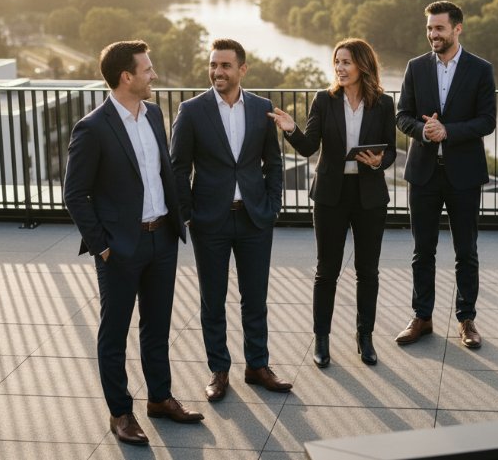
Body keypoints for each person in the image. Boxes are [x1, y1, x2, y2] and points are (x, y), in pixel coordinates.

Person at [64, 40, 203, 447]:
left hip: (162, 238)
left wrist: (181, 217)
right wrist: (103, 247)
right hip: (120, 249)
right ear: (127, 77)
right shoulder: (92, 128)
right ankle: (120, 413)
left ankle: (159, 398)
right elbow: (74, 194)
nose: (153, 75)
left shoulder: (154, 114)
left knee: (157, 327)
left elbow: (165, 172)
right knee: (115, 332)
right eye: (147, 69)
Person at [170, 38, 291, 399]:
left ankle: (257, 364)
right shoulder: (190, 111)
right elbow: (178, 168)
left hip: (255, 218)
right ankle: (219, 370)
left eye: (225, 65)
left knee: (256, 298)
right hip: (211, 221)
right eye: (213, 65)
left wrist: (272, 205)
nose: (217, 72)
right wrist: (190, 214)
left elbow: (273, 162)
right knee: (213, 299)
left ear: (242, 69)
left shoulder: (261, 107)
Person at [267, 38, 397, 367]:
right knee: (327, 270)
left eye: (346, 62)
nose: (339, 68)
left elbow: (392, 150)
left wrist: (377, 161)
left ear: (363, 66)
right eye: (336, 62)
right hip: (330, 196)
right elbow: (309, 146)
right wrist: (290, 129)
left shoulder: (383, 104)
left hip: (369, 195)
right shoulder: (323, 100)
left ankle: (364, 337)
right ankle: (321, 339)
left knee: (368, 271)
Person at [394, 0, 496, 349]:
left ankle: (466, 320)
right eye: (429, 28)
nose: (432, 34)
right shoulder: (415, 67)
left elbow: (488, 120)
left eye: (439, 28)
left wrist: (447, 131)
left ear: (457, 29)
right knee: (423, 250)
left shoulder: (481, 69)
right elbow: (403, 115)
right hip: (423, 173)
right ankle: (422, 317)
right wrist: (424, 132)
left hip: (464, 174)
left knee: (466, 251)